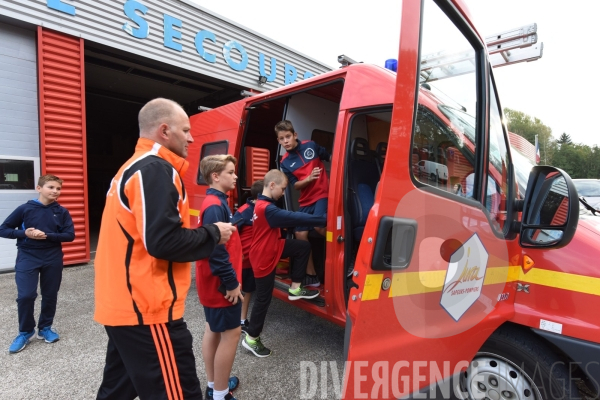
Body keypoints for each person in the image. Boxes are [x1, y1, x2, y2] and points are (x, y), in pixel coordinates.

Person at [94, 98, 236, 400]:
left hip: (126, 306)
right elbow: (163, 242)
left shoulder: (131, 167)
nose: (191, 137)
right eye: (185, 130)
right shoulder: (155, 169)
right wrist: (214, 233)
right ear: (163, 130)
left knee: (117, 389)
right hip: (147, 309)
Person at [242, 169, 326, 358]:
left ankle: (296, 287)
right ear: (272, 185)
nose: (283, 192)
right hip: (264, 256)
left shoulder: (262, 203)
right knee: (263, 300)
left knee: (302, 247)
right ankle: (252, 338)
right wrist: (322, 219)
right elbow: (294, 217)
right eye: (282, 188)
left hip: (273, 246)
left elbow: (285, 218)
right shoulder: (267, 208)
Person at [0, 174, 75, 354]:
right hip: (28, 256)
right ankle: (25, 332)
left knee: (50, 294)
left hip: (52, 256)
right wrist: (25, 234)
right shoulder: (25, 209)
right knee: (26, 295)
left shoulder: (62, 212)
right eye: (51, 187)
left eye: (58, 189)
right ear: (39, 188)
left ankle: (45, 328)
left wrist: (47, 235)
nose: (55, 191)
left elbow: (69, 235)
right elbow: (3, 229)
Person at [196, 154, 244, 400]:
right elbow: (217, 252)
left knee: (213, 330)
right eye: (230, 172)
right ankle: (220, 394)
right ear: (216, 176)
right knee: (231, 334)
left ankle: (214, 385)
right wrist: (232, 283)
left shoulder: (215, 202)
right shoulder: (215, 206)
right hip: (220, 285)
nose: (235, 176)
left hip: (210, 283)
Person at [277, 120, 330, 288]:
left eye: (287, 136)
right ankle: (312, 276)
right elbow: (296, 185)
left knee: (320, 226)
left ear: (295, 135)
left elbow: (331, 157)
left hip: (322, 194)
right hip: (306, 200)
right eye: (281, 139)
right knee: (300, 234)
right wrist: (308, 179)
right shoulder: (284, 163)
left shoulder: (311, 146)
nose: (285, 141)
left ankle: (347, 257)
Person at [232, 180, 264, 334]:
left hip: (253, 261)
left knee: (249, 290)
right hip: (243, 261)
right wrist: (238, 253)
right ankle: (234, 320)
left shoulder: (264, 209)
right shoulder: (244, 211)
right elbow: (232, 233)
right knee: (239, 290)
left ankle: (242, 320)